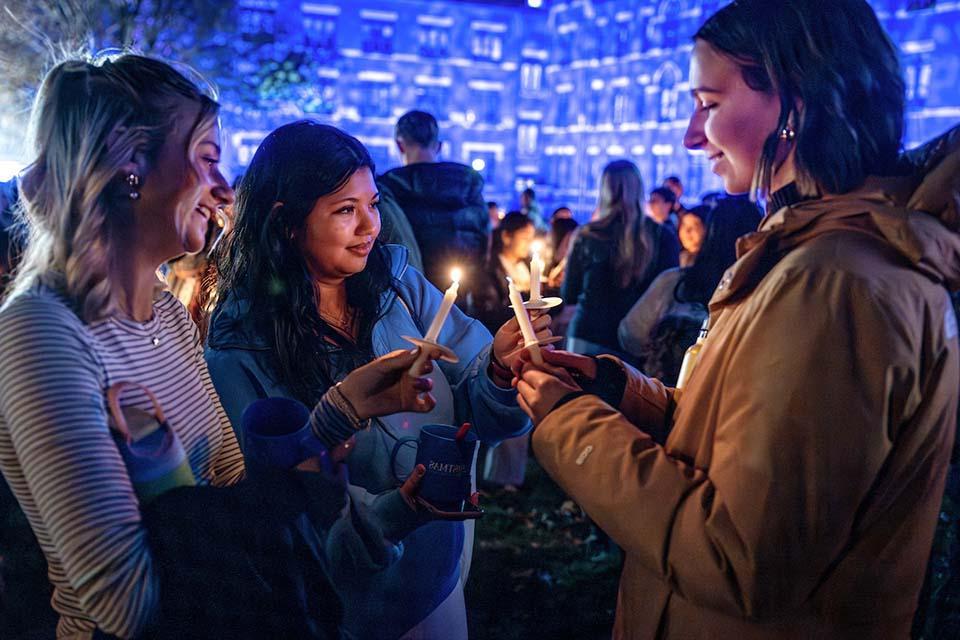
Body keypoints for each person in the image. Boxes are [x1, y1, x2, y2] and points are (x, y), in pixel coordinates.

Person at [515, 1, 960, 637]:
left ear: (797, 102)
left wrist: (571, 425)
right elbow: (745, 450)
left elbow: (740, 556)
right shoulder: (815, 259)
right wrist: (615, 394)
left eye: (709, 102)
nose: (691, 136)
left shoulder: (836, 287)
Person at [0, 55, 437, 639]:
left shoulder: (169, 317)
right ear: (130, 169)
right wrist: (181, 470)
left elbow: (232, 485)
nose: (225, 189)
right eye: (206, 158)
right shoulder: (43, 332)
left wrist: (337, 412)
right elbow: (129, 605)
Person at [205, 120, 547, 640]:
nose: (371, 227)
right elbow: (277, 502)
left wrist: (500, 368)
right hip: (338, 607)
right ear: (287, 222)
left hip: (437, 576)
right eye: (346, 210)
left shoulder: (396, 285)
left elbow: (477, 397)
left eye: (373, 203)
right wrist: (394, 514)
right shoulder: (242, 345)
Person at [617, 199, 760, 384]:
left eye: (695, 227)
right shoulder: (763, 294)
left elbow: (631, 334)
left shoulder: (675, 283)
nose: (687, 233)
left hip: (663, 393)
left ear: (709, 233)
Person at [561, 160, 679, 357]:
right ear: (639, 189)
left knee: (580, 388)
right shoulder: (662, 236)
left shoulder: (587, 235)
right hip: (637, 338)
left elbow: (570, 293)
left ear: (604, 190)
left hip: (588, 334)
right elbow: (668, 294)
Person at [377, 110, 488, 297]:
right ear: (438, 146)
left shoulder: (389, 190)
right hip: (460, 295)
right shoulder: (468, 185)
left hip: (411, 298)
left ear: (400, 145)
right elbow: (484, 242)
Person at [472, 212, 536, 334]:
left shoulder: (527, 266)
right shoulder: (489, 270)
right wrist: (528, 298)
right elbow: (491, 313)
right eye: (524, 238)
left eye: (531, 239)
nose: (528, 244)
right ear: (506, 237)